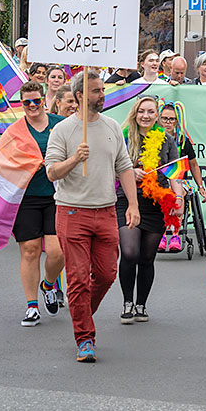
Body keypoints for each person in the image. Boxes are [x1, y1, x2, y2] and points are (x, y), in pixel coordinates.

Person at [45, 71, 140, 363]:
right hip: (72, 211)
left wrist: (132, 204)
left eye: (102, 90)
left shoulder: (112, 126)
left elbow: (124, 166)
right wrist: (75, 159)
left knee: (107, 274)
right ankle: (85, 338)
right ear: (79, 96)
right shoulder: (62, 130)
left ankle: (81, 312)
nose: (102, 95)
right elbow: (51, 172)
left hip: (107, 211)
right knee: (77, 279)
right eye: (97, 91)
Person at [117, 95, 179, 323]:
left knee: (146, 257)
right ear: (135, 113)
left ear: (157, 116)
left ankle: (141, 304)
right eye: (142, 111)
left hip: (156, 203)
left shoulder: (167, 140)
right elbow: (111, 166)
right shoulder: (123, 137)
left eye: (151, 112)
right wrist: (130, 172)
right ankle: (127, 301)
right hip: (127, 199)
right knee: (130, 252)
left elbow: (175, 173)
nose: (146, 116)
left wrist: (178, 200)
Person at [12, 81, 67, 327]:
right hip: (26, 197)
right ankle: (32, 306)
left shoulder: (60, 124)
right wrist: (26, 164)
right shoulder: (15, 130)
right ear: (21, 103)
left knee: (58, 251)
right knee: (30, 250)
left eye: (36, 100)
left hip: (58, 195)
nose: (32, 105)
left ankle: (48, 284)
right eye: (27, 102)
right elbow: (4, 161)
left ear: (44, 99)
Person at [157, 101, 206, 252]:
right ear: (159, 119)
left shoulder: (183, 141)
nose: (168, 122)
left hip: (180, 180)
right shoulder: (154, 139)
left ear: (176, 121)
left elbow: (194, 165)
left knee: (177, 193)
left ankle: (175, 235)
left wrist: (200, 186)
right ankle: (161, 234)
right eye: (165, 118)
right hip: (160, 181)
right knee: (162, 192)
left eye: (171, 119)